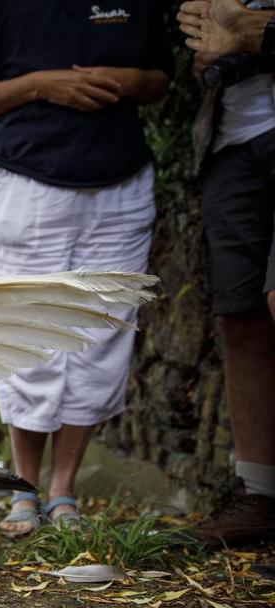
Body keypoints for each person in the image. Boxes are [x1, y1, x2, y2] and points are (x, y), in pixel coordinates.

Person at [0, 0, 172, 535]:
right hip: (28, 182)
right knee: (28, 333)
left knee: (102, 338)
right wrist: (42, 85)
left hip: (121, 183)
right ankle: (24, 490)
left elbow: (161, 79)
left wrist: (125, 80)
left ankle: (63, 490)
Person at [177, 0, 275, 545]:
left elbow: (245, 33)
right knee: (242, 318)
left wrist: (255, 32)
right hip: (229, 145)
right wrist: (209, 53)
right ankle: (260, 494)